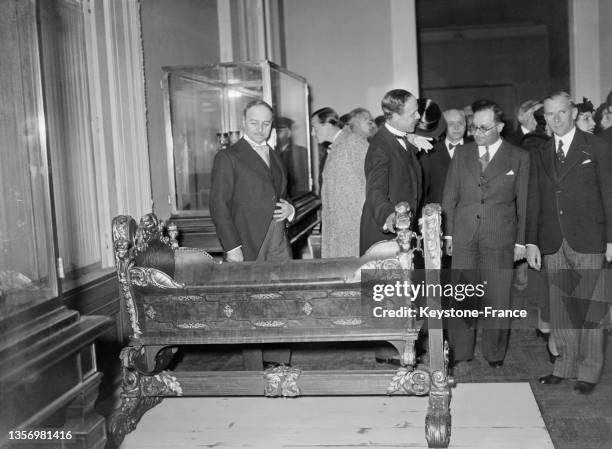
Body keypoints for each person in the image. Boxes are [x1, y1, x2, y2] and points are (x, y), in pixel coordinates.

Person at [526, 91, 612, 394]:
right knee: (561, 308)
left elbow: (609, 193)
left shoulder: (597, 147)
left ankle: (589, 372)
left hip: (589, 237)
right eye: (549, 114)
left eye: (561, 112)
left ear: (573, 113)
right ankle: (564, 366)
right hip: (552, 240)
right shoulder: (541, 152)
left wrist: (611, 238)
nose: (556, 119)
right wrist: (531, 242)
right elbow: (533, 198)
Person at [442, 99, 529, 369]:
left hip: (500, 237)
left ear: (500, 127)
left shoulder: (519, 156)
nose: (476, 133)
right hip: (464, 235)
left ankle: (494, 354)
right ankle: (461, 351)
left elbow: (524, 202)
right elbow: (450, 195)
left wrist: (521, 242)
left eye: (484, 128)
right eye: (474, 127)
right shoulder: (462, 154)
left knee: (498, 297)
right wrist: (448, 236)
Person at [210, 99, 294, 263]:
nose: (260, 129)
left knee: (283, 286)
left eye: (266, 123)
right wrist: (232, 248)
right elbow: (218, 205)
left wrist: (290, 209)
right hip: (248, 242)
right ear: (243, 122)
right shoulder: (228, 156)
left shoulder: (275, 156)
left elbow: (278, 192)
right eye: (254, 123)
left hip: (279, 239)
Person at [359, 89, 422, 255]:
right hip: (384, 238)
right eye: (413, 113)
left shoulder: (402, 138)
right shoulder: (380, 146)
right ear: (394, 116)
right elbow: (375, 191)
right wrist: (390, 217)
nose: (418, 117)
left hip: (404, 235)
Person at [321, 108, 376, 258]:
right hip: (346, 225)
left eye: (314, 128)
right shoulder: (347, 143)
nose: (372, 124)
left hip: (353, 224)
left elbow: (373, 182)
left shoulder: (352, 142)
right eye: (367, 120)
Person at [275, 116, 309, 197]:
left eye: (279, 131)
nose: (276, 135)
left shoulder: (300, 152)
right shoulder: (270, 152)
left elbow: (302, 183)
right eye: (274, 132)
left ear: (289, 133)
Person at [311, 107, 340, 189]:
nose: (312, 133)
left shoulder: (350, 145)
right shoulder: (330, 148)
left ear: (327, 125)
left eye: (314, 127)